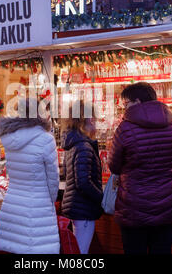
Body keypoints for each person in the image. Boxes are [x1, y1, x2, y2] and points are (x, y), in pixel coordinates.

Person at [108, 82, 172, 255]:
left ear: (136, 102)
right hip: (168, 205)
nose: (124, 109)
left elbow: (114, 166)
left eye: (126, 104)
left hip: (134, 207)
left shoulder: (125, 128)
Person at [0, 98, 60, 254]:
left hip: (13, 201)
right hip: (38, 203)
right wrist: (50, 199)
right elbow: (53, 179)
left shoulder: (9, 137)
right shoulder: (45, 139)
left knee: (16, 248)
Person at [60, 100, 103, 254]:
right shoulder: (84, 146)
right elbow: (83, 182)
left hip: (74, 205)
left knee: (75, 250)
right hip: (83, 208)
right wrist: (101, 197)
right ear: (89, 119)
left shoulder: (72, 144)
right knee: (80, 252)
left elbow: (66, 173)